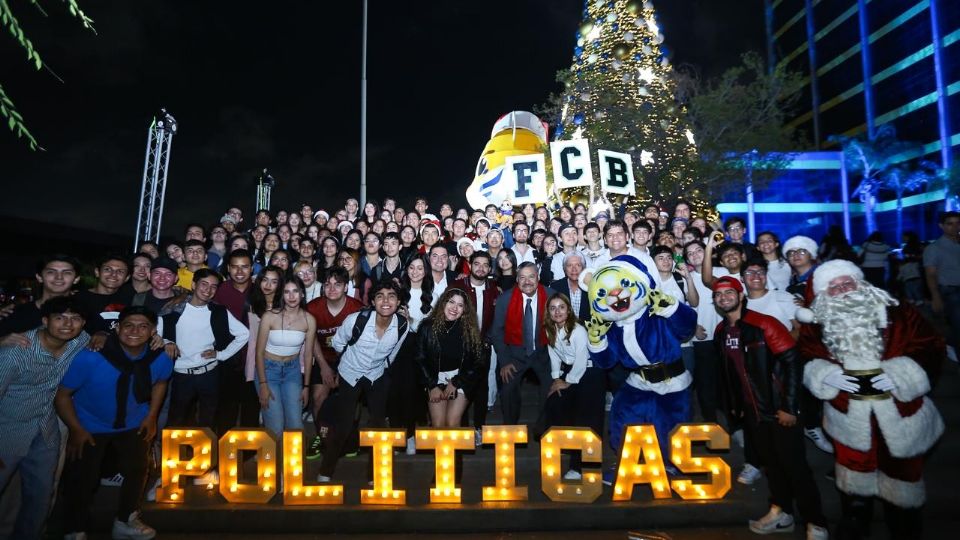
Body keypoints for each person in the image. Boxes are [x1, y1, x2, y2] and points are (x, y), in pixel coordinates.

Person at [799, 260, 945, 539]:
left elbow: (931, 344)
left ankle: (905, 526)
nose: (843, 289)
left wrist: (903, 374)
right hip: (848, 416)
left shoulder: (897, 311)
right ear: (824, 294)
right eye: (834, 286)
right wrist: (823, 374)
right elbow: (806, 354)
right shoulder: (817, 322)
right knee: (854, 482)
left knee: (903, 482)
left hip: (902, 413)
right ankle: (855, 520)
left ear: (861, 282)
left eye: (847, 282)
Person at [712, 277, 828, 539]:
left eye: (730, 293)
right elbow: (730, 374)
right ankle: (782, 512)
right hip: (752, 413)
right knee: (771, 466)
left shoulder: (763, 324)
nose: (724, 298)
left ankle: (817, 522)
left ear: (741, 296)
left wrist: (789, 406)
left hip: (778, 411)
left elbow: (793, 363)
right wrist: (736, 408)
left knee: (795, 467)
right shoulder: (721, 331)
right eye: (719, 295)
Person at [56, 306, 172, 540]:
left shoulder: (158, 357)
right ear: (117, 328)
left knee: (138, 470)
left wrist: (151, 416)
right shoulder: (91, 357)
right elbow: (62, 395)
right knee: (83, 478)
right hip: (90, 425)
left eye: (143, 326)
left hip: (133, 422)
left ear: (152, 332)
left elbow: (161, 382)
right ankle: (75, 528)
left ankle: (126, 519)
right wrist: (76, 429)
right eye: (128, 325)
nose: (134, 331)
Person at [0, 297, 88, 539]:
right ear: (45, 321)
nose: (68, 324)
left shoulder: (78, 341)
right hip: (7, 432)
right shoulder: (15, 353)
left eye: (75, 319)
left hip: (45, 429)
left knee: (41, 494)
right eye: (60, 318)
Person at [161, 269, 249, 486]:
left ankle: (202, 469)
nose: (208, 290)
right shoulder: (174, 308)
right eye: (204, 285)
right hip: (180, 375)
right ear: (194, 284)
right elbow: (157, 332)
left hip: (209, 373)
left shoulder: (219, 311)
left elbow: (244, 334)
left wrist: (221, 355)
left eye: (213, 287)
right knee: (176, 424)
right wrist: (167, 343)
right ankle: (169, 476)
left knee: (207, 423)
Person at [316, 281, 409, 482]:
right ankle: (325, 471)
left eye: (391, 296)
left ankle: (374, 474)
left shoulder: (402, 325)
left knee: (378, 425)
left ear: (399, 301)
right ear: (373, 301)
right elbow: (339, 342)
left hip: (376, 375)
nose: (386, 301)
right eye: (380, 296)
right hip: (350, 374)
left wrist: (381, 370)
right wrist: (348, 365)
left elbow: (393, 354)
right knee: (344, 424)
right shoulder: (356, 320)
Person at [542, 293, 604, 480]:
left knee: (587, 420)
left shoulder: (578, 330)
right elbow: (553, 354)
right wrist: (555, 378)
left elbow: (581, 361)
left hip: (590, 374)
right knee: (556, 404)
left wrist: (567, 381)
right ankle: (570, 448)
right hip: (570, 371)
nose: (557, 311)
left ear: (569, 310)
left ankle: (581, 467)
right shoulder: (550, 329)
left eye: (561, 307)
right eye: (553, 308)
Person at [304, 267, 364, 460]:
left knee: (350, 399)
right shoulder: (313, 307)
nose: (332, 289)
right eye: (327, 284)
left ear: (346, 287)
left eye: (337, 284)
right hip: (323, 358)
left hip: (350, 359)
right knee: (319, 396)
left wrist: (343, 370)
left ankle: (348, 438)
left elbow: (360, 343)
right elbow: (311, 338)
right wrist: (323, 367)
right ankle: (323, 438)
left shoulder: (356, 308)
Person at [490, 262, 555, 428]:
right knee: (509, 389)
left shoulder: (551, 296)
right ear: (517, 279)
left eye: (531, 276)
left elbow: (560, 328)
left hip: (544, 353)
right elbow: (497, 332)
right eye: (523, 277)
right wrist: (504, 362)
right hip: (515, 354)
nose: (527, 281)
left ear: (538, 278)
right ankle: (510, 429)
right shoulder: (505, 299)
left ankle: (544, 430)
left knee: (551, 389)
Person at [255, 277, 316, 437]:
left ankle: (292, 462)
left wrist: (306, 386)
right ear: (282, 295)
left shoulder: (309, 320)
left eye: (295, 291)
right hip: (268, 370)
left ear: (302, 294)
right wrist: (263, 384)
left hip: (292, 372)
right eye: (287, 292)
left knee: (296, 425)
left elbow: (309, 355)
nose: (291, 296)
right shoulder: (269, 316)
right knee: (276, 427)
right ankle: (274, 460)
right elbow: (259, 352)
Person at [415, 288, 484, 428]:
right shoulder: (426, 327)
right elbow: (419, 359)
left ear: (464, 310)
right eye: (451, 302)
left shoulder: (470, 330)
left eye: (460, 305)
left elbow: (478, 363)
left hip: (461, 377)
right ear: (443, 303)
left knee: (452, 423)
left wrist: (456, 382)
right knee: (439, 425)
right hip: (434, 377)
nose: (454, 308)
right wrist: (432, 386)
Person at [451, 250, 500, 437]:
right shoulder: (457, 285)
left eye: (485, 265)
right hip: (461, 344)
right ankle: (461, 428)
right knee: (460, 385)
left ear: (489, 268)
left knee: (482, 387)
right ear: (470, 265)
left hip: (483, 345)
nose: (481, 268)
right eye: (477, 264)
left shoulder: (494, 288)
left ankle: (479, 427)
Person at [212, 250, 259, 437]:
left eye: (245, 266)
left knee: (251, 407)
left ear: (252, 268)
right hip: (227, 357)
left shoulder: (259, 290)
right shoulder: (220, 290)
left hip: (253, 358)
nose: (240, 271)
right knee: (225, 407)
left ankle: (249, 449)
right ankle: (224, 447)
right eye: (235, 266)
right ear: (228, 268)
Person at [0, 254, 81, 344]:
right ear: (39, 277)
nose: (59, 277)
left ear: (76, 279)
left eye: (66, 273)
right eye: (51, 272)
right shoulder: (14, 314)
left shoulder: (85, 313)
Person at [923, 211, 960, 355]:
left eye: (957, 223)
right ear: (941, 226)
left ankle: (950, 344)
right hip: (950, 291)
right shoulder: (934, 248)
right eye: (950, 224)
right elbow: (930, 274)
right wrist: (935, 297)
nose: (954, 227)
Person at [75, 254, 133, 334]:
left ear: (127, 278)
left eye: (120, 271)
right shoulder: (79, 299)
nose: (113, 274)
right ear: (97, 272)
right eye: (107, 269)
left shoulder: (130, 296)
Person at [550, 251, 590, 322]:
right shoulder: (555, 287)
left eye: (578, 265)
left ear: (584, 268)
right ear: (564, 269)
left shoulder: (591, 287)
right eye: (569, 265)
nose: (574, 269)